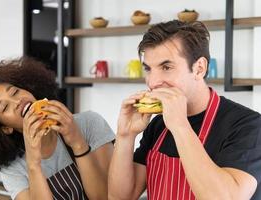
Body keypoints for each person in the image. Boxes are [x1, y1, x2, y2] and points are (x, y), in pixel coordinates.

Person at [108, 20, 261, 200]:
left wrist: (180, 126)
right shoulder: (158, 124)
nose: (152, 82)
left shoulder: (248, 126)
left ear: (199, 69)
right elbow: (119, 197)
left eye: (166, 67)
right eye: (148, 69)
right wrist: (126, 136)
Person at [0, 57, 115, 200]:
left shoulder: (89, 123)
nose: (17, 102)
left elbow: (103, 197)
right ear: (6, 128)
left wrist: (78, 143)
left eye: (15, 92)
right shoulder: (12, 168)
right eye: (5, 107)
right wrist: (33, 163)